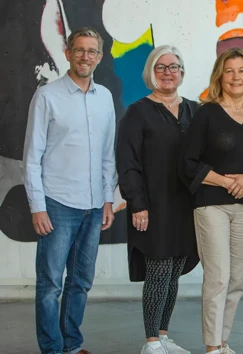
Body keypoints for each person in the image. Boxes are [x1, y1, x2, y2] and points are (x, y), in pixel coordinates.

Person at [180, 47, 243, 354]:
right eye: (229, 71)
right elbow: (187, 163)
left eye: (241, 71)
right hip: (211, 204)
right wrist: (226, 181)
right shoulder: (205, 114)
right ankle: (212, 347)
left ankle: (222, 342)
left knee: (236, 279)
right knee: (218, 276)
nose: (235, 77)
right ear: (219, 77)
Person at [23, 27, 116, 354]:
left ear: (99, 57)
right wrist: (38, 206)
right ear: (68, 53)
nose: (85, 56)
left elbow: (108, 155)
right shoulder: (47, 96)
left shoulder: (104, 98)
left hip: (93, 207)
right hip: (58, 204)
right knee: (50, 286)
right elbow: (32, 157)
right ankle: (52, 349)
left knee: (80, 283)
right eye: (79, 50)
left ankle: (72, 346)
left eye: (92, 51)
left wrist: (108, 199)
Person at [116, 45, 199, 354]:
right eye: (161, 67)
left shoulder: (194, 109)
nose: (168, 72)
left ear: (181, 72)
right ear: (151, 72)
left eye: (174, 67)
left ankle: (163, 336)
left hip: (186, 206)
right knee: (159, 271)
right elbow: (128, 162)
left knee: (175, 271)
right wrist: (137, 204)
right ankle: (150, 341)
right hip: (152, 207)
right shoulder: (137, 112)